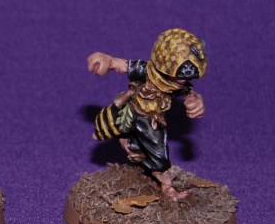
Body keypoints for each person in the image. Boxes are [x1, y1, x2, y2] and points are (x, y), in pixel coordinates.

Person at [87, 28, 207, 200]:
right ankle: (167, 187)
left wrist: (195, 101)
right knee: (159, 155)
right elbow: (121, 64)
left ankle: (132, 144)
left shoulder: (176, 84)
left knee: (151, 150)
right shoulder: (148, 71)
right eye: (183, 74)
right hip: (134, 113)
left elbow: (188, 92)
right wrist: (107, 60)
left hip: (150, 120)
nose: (183, 80)